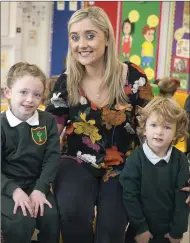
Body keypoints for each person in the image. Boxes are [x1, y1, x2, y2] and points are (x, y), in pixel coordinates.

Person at [46, 6, 153, 243]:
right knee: (73, 214)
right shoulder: (67, 79)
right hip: (76, 160)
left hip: (122, 165)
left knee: (111, 228)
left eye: (90, 35)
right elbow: (50, 131)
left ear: (107, 37)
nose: (81, 44)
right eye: (75, 37)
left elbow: (153, 129)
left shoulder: (133, 77)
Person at [1, 62, 60, 243]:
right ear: (8, 92)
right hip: (5, 188)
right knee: (21, 221)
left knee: (50, 217)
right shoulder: (1, 125)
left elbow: (52, 157)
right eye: (23, 92)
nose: (30, 100)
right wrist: (14, 191)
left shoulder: (47, 121)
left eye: (37, 95)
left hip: (36, 185)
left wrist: (40, 189)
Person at [120, 96, 189, 243]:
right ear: (144, 128)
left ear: (176, 133)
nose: (159, 132)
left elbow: (183, 198)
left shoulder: (181, 161)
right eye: (153, 125)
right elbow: (129, 196)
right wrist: (141, 229)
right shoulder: (135, 160)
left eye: (167, 127)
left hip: (168, 235)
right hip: (139, 234)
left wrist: (177, 232)